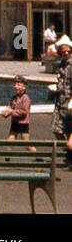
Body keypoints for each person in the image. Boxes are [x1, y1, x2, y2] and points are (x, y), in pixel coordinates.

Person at [52, 37, 72, 169]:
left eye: (68, 51)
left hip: (69, 103)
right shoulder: (61, 65)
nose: (65, 53)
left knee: (69, 130)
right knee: (56, 129)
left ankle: (69, 158)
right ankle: (68, 154)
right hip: (60, 101)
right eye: (63, 51)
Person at [2, 77, 31, 143]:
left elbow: (24, 112)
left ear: (24, 87)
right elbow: (10, 107)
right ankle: (8, 153)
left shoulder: (25, 98)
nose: (15, 86)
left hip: (23, 123)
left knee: (27, 144)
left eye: (18, 85)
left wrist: (11, 112)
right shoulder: (14, 98)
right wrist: (6, 113)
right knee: (9, 143)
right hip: (15, 122)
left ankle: (36, 153)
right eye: (15, 84)